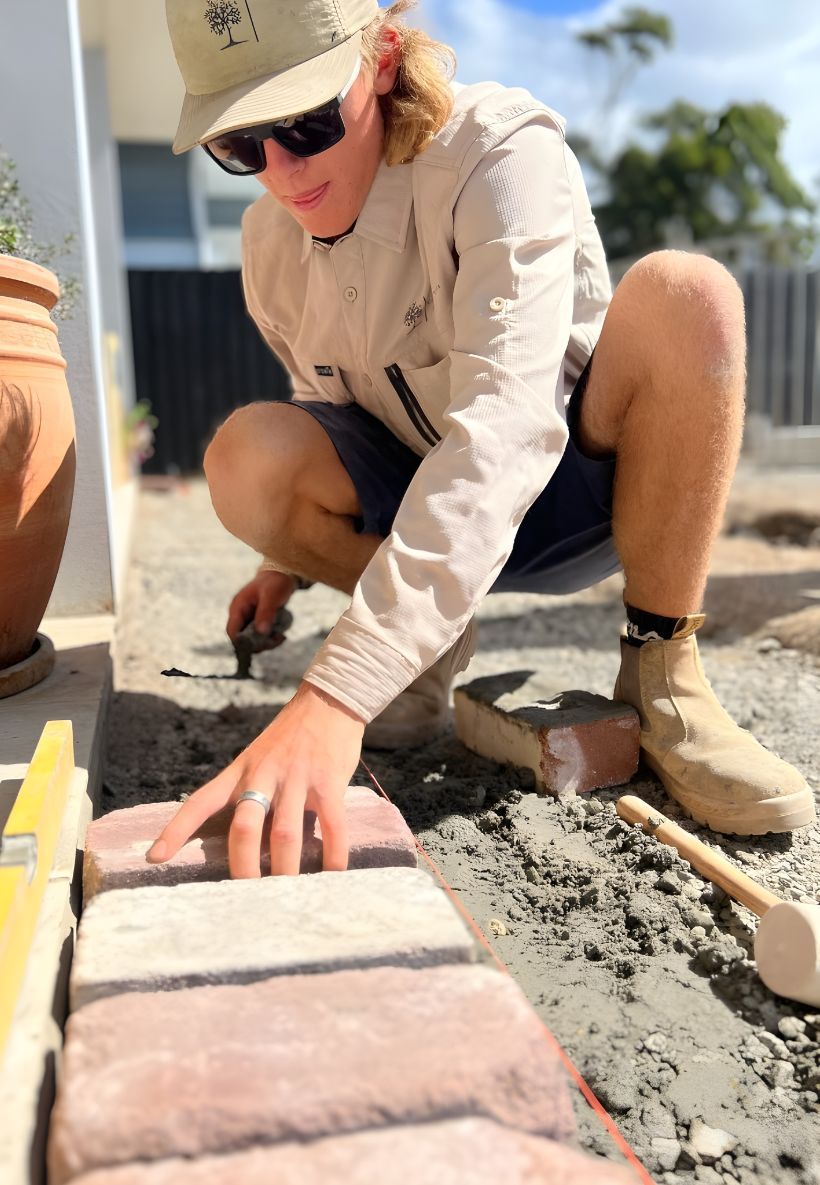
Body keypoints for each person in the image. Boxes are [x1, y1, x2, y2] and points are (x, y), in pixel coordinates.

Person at [148, 0, 815, 878]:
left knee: (689, 294)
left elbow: (506, 423)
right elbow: (324, 405)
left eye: (308, 122)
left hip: (580, 496)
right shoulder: (268, 240)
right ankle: (428, 644)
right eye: (240, 144)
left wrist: (341, 687)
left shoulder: (498, 155)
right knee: (248, 456)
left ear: (382, 58)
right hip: (428, 510)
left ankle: (664, 678)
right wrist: (287, 566)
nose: (282, 171)